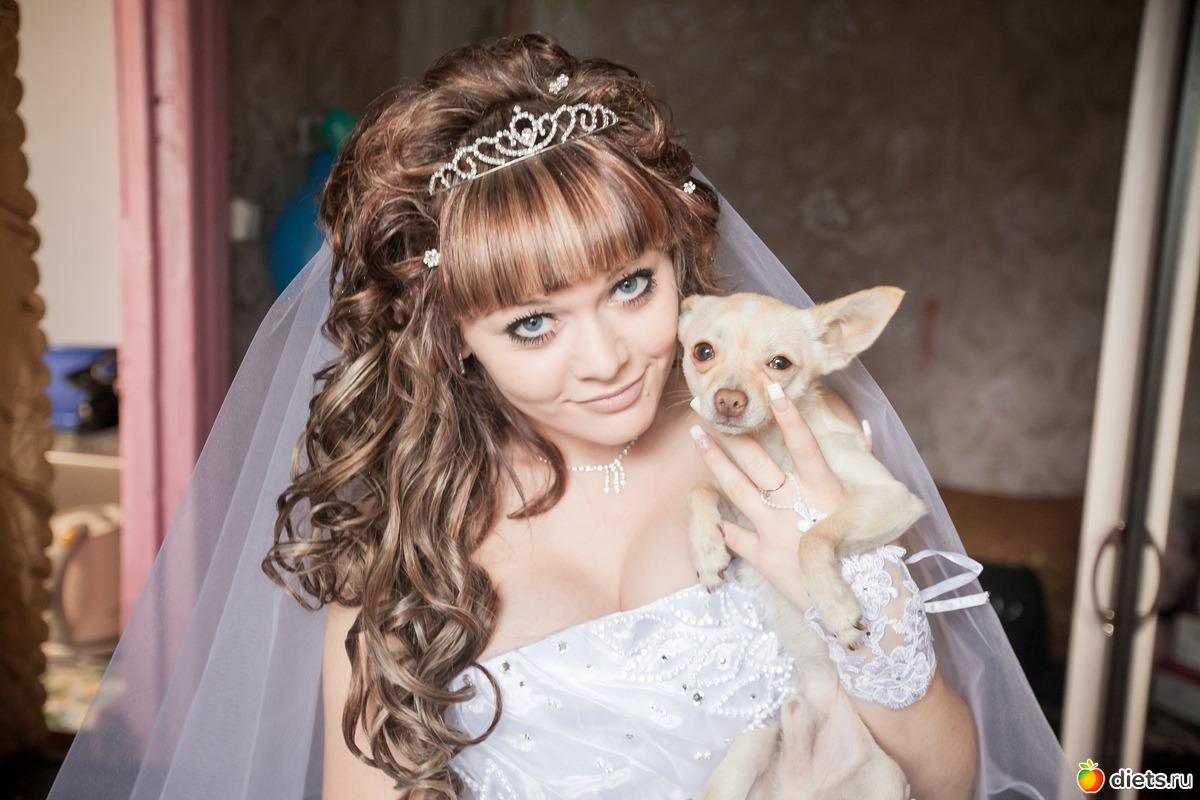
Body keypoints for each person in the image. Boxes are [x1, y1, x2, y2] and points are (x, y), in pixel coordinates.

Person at [49, 34, 1070, 800]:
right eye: (533, 322)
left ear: (679, 262)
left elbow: (948, 779)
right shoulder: (400, 549)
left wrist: (853, 600)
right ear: (455, 333)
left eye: (632, 285)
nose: (608, 359)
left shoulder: (788, 431)